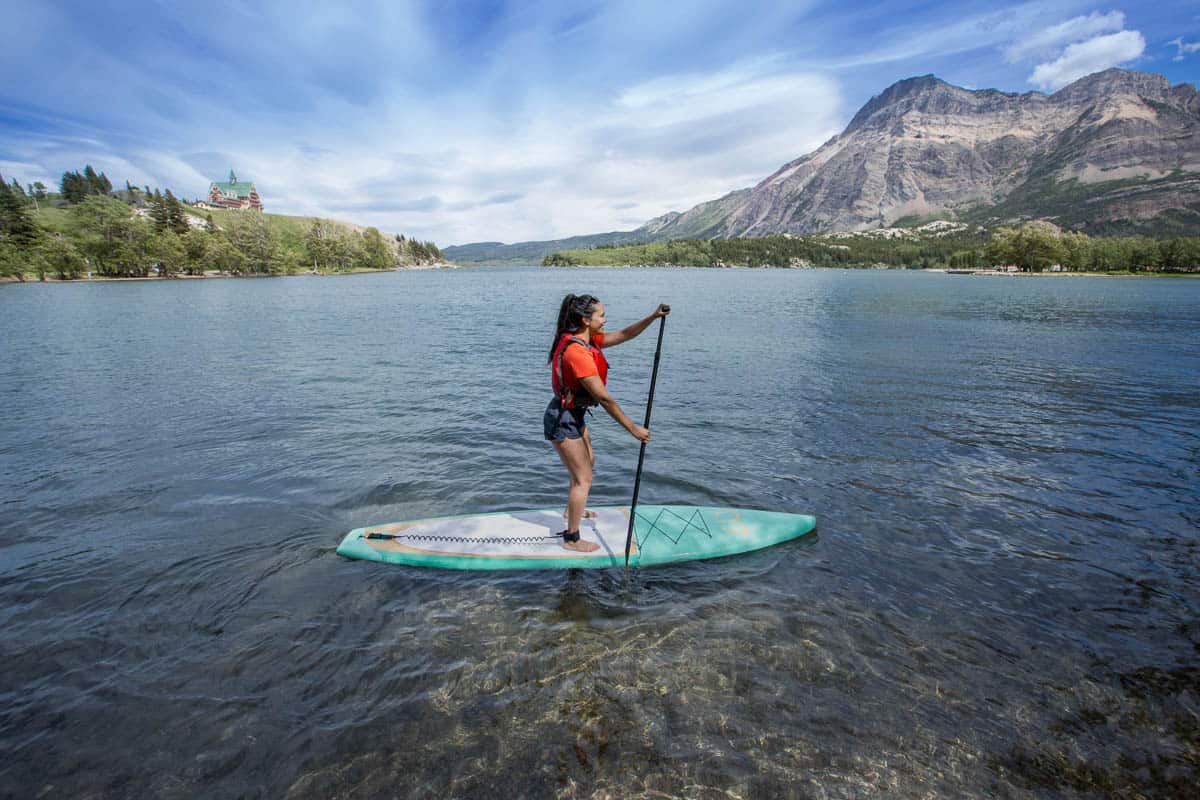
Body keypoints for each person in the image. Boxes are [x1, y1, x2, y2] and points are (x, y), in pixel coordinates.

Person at [544, 294, 670, 552]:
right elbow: (603, 398)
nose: (605, 319)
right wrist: (633, 429)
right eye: (601, 315)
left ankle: (571, 511)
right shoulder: (577, 353)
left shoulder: (589, 341)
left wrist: (653, 316)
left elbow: (625, 334)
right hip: (563, 419)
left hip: (573, 415)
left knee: (588, 463)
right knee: (584, 478)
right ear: (585, 320)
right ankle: (572, 539)